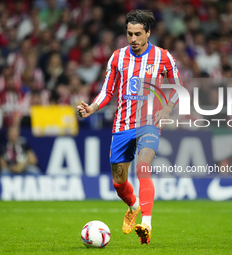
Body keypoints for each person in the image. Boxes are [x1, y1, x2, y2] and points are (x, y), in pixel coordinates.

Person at [77, 10, 182, 245]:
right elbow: (107, 90)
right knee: (118, 181)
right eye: (129, 34)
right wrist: (92, 108)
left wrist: (166, 109)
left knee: (143, 166)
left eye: (137, 34)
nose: (133, 39)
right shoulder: (117, 57)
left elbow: (177, 87)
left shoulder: (163, 57)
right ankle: (133, 205)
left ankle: (147, 223)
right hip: (122, 125)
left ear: (148, 33)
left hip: (149, 124)